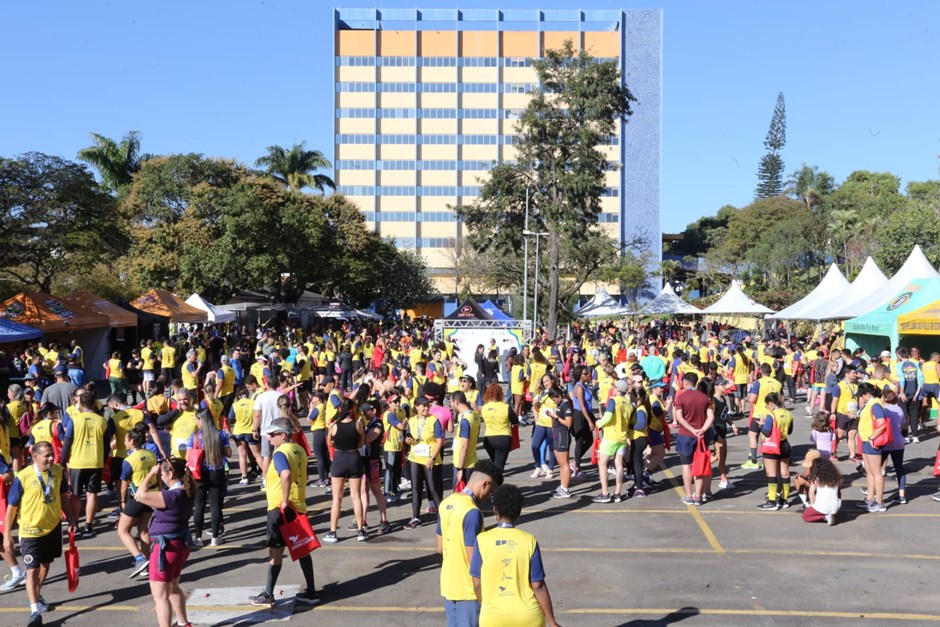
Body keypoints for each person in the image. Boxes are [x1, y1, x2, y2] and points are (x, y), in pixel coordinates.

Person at [3, 441, 76, 627]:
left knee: (45, 566)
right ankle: (35, 612)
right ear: (35, 457)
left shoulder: (58, 471)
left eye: (52, 454)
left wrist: (71, 519)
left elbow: (62, 497)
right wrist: (7, 535)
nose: (51, 458)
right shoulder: (24, 476)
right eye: (47, 456)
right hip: (30, 531)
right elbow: (11, 507)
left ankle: (36, 594)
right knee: (32, 569)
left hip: (52, 528)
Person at [248, 418, 318, 606]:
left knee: (275, 551)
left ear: (283, 435)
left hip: (281, 509)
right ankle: (311, 591)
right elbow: (304, 474)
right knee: (303, 549)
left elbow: (285, 474)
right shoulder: (300, 450)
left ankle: (268, 594)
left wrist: (285, 500)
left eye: (272, 435)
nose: (269, 438)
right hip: (299, 506)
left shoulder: (280, 453)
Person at [469, 484, 560, 627]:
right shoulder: (529, 540)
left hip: (493, 617)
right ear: (518, 513)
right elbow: (538, 585)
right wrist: (552, 621)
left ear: (495, 511)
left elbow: (477, 584)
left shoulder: (482, 540)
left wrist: (487, 606)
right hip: (528, 617)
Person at [437, 459, 504, 627]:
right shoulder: (472, 512)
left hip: (448, 585)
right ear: (484, 484)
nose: (489, 496)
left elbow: (440, 548)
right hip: (468, 590)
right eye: (491, 491)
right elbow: (472, 559)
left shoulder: (446, 503)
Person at [134, 458, 194, 627]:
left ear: (170, 473)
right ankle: (183, 623)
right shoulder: (185, 491)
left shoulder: (171, 496)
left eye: (162, 473)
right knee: (173, 588)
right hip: (179, 544)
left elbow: (139, 494)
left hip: (165, 548)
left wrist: (150, 474)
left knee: (160, 597)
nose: (160, 476)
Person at [62, 391, 113, 538]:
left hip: (77, 462)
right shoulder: (102, 421)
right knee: (92, 494)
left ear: (81, 404)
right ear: (95, 402)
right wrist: (102, 461)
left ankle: (75, 523)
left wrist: (62, 462)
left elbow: (67, 443)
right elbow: (106, 445)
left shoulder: (74, 420)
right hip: (95, 462)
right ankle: (89, 526)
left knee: (76, 494)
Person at [117, 423, 157, 578]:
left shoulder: (129, 460)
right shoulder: (150, 454)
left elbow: (124, 485)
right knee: (144, 529)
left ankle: (139, 558)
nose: (124, 442)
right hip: (151, 495)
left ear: (132, 442)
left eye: (126, 440)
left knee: (122, 530)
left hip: (137, 496)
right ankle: (147, 562)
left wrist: (122, 501)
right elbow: (158, 475)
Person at [186, 409, 231, 547]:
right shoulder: (220, 435)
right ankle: (215, 537)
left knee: (199, 505)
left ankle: (198, 537)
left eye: (196, 419)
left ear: (201, 420)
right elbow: (228, 453)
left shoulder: (194, 437)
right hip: (216, 471)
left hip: (199, 473)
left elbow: (188, 457)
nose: (196, 421)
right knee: (215, 505)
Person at [323, 399, 366, 542]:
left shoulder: (334, 425)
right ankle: (360, 530)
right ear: (352, 409)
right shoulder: (358, 424)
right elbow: (361, 443)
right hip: (354, 458)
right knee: (356, 496)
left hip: (339, 458)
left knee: (337, 498)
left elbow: (329, 442)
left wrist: (337, 443)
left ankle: (333, 531)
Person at [672, 372, 715, 506]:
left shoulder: (681, 397)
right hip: (701, 436)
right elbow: (711, 417)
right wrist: (702, 429)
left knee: (686, 465)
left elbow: (679, 417)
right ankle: (698, 495)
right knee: (699, 465)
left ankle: (689, 495)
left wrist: (692, 430)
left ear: (685, 383)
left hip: (686, 435)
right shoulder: (704, 398)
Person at [404, 397, 445, 529]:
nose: (426, 408)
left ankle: (443, 515)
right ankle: (415, 516)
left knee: (433, 488)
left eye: (428, 406)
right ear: (416, 407)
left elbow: (440, 440)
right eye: (423, 406)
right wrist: (408, 441)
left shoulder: (433, 420)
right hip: (415, 457)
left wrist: (432, 458)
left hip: (430, 458)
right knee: (415, 488)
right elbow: (408, 438)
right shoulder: (411, 421)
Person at [593, 379, 631, 503]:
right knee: (619, 465)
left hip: (611, 437)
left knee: (602, 463)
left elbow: (607, 417)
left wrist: (598, 423)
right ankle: (617, 493)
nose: (613, 389)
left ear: (618, 390)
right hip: (622, 437)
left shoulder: (614, 401)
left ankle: (605, 493)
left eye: (614, 387)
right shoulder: (628, 403)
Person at [357, 402, 390, 534]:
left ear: (374, 410)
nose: (364, 414)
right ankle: (362, 520)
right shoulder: (367, 424)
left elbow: (366, 440)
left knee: (376, 490)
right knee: (363, 490)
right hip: (363, 460)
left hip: (373, 461)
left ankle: (384, 520)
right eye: (362, 411)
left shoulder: (377, 424)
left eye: (366, 411)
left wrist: (359, 430)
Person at [756, 393, 793, 510]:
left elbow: (767, 432)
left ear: (771, 403)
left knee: (771, 474)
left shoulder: (771, 415)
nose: (767, 407)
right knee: (785, 473)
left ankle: (772, 501)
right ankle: (784, 500)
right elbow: (790, 431)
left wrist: (761, 425)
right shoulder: (788, 413)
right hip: (785, 444)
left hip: (772, 445)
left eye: (767, 404)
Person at [857, 382, 889, 513]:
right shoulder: (870, 403)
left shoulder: (875, 405)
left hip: (872, 442)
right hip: (865, 440)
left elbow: (882, 425)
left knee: (876, 471)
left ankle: (879, 501)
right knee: (869, 470)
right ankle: (870, 498)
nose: (860, 398)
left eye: (861, 395)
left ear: (867, 394)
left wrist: (872, 437)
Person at [479, 384, 516, 473]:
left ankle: (492, 482)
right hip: (503, 438)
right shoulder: (506, 407)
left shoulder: (484, 408)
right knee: (499, 466)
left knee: (495, 462)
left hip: (489, 438)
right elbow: (515, 420)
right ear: (501, 394)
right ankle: (496, 484)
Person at [801, 456, 842, 526]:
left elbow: (811, 493)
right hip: (835, 506)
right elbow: (839, 493)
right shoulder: (836, 477)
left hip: (822, 506)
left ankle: (825, 517)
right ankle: (829, 514)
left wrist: (812, 505)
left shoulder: (816, 479)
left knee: (805, 516)